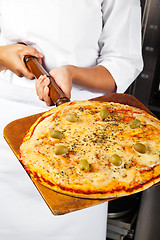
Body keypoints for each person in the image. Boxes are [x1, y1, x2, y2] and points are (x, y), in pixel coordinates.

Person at [0, 0, 143, 240]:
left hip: (82, 136)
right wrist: (2, 56)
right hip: (7, 129)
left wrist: (72, 73)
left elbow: (123, 63)